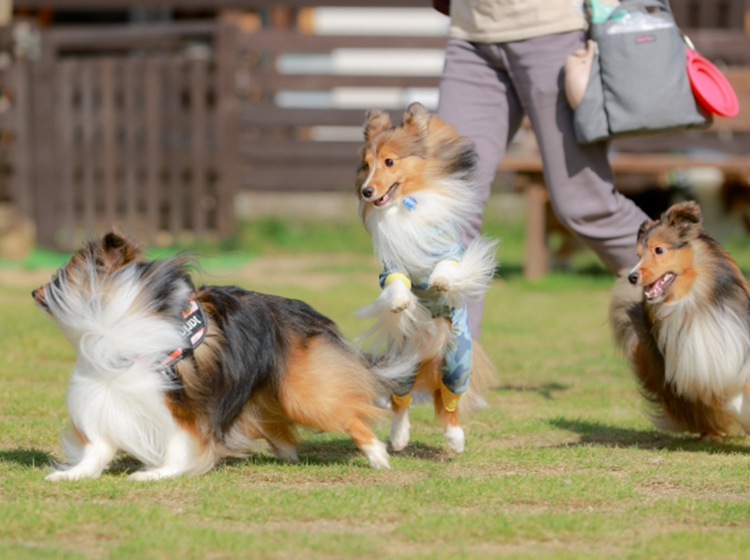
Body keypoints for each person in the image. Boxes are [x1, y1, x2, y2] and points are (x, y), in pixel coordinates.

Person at [434, 0, 650, 337]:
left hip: (554, 28)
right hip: (472, 32)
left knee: (586, 205)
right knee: (445, 209)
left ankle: (709, 299)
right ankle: (452, 377)